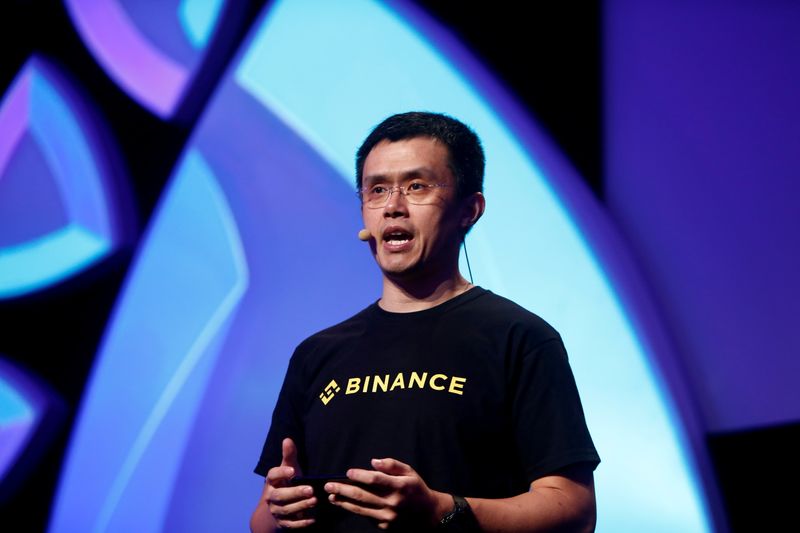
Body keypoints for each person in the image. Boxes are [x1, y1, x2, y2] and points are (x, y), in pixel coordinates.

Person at [250, 112, 600, 532]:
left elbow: (574, 510)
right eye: (377, 190)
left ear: (469, 209)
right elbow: (261, 522)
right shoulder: (317, 353)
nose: (394, 207)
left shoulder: (520, 338)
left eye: (416, 186)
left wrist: (441, 511)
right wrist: (280, 509)